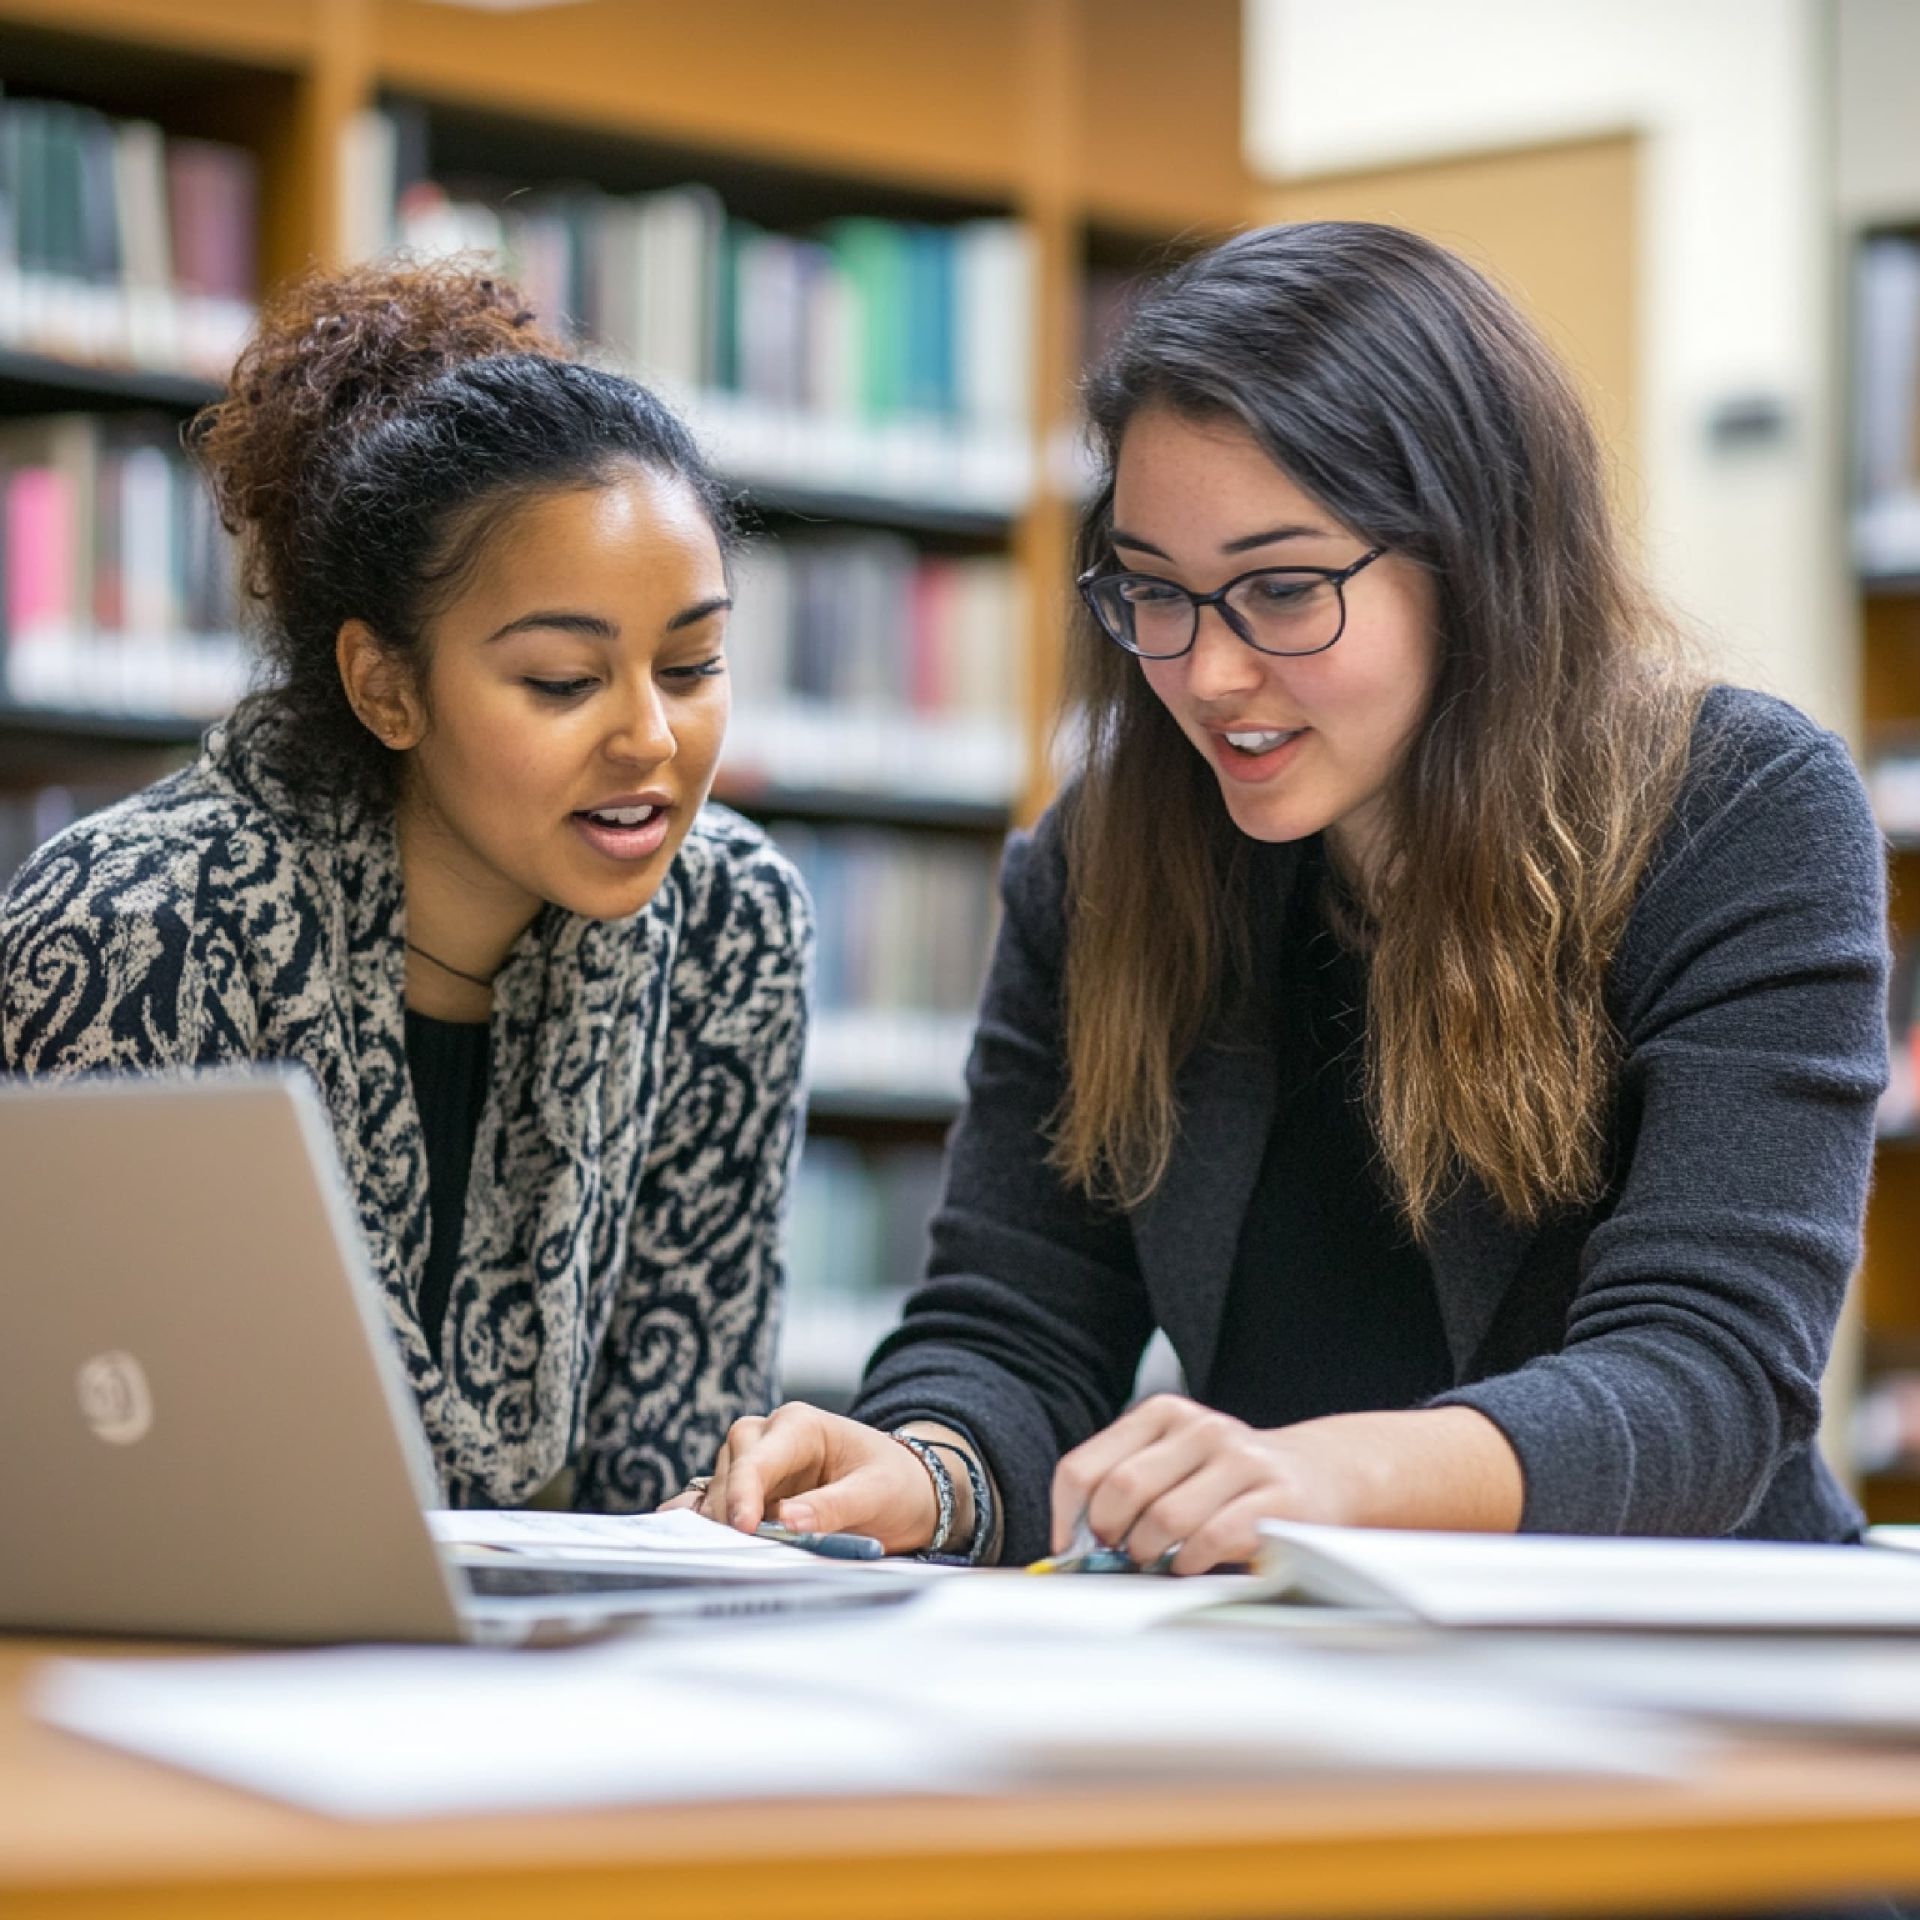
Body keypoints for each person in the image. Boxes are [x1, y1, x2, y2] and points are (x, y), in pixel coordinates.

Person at [687, 220, 1890, 1572]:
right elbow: (1012, 1328)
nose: (1205, 675)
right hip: (1294, 1669)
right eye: (1156, 593)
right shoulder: (1105, 865)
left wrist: (1328, 1471)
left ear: (1475, 559)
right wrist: (922, 1471)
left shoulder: (1732, 809)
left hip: (1688, 1675)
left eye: (1279, 589)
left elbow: (1708, 1378)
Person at [0, 260, 811, 1513]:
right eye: (561, 681)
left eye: (693, 663)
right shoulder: (137, 929)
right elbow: (109, 1477)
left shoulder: (730, 923)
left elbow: (687, 1487)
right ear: (387, 687)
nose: (652, 737)